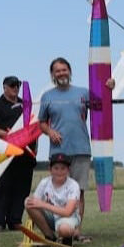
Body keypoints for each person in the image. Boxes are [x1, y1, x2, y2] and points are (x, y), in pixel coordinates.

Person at [38, 57, 91, 235]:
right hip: (59, 151)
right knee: (56, 192)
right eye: (57, 71)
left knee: (79, 192)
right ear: (52, 74)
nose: (61, 73)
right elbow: (42, 123)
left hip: (81, 148)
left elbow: (102, 104)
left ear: (70, 71)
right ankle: (58, 228)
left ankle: (77, 230)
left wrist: (109, 85)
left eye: (64, 69)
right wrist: (50, 132)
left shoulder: (83, 92)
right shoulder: (47, 97)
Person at [0, 75, 37, 231]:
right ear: (5, 87)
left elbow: (34, 124)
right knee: (2, 188)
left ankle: (15, 220)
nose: (15, 88)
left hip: (25, 154)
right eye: (12, 85)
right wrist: (7, 135)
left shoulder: (26, 105)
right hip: (4, 153)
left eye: (17, 85)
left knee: (22, 187)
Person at [25, 153, 82, 245]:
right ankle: (50, 237)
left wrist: (43, 204)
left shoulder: (73, 185)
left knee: (64, 229)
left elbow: (67, 212)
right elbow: (33, 202)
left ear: (68, 170)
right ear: (50, 170)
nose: (59, 172)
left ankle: (67, 237)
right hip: (51, 216)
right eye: (56, 168)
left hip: (68, 217)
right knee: (28, 202)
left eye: (63, 168)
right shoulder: (44, 183)